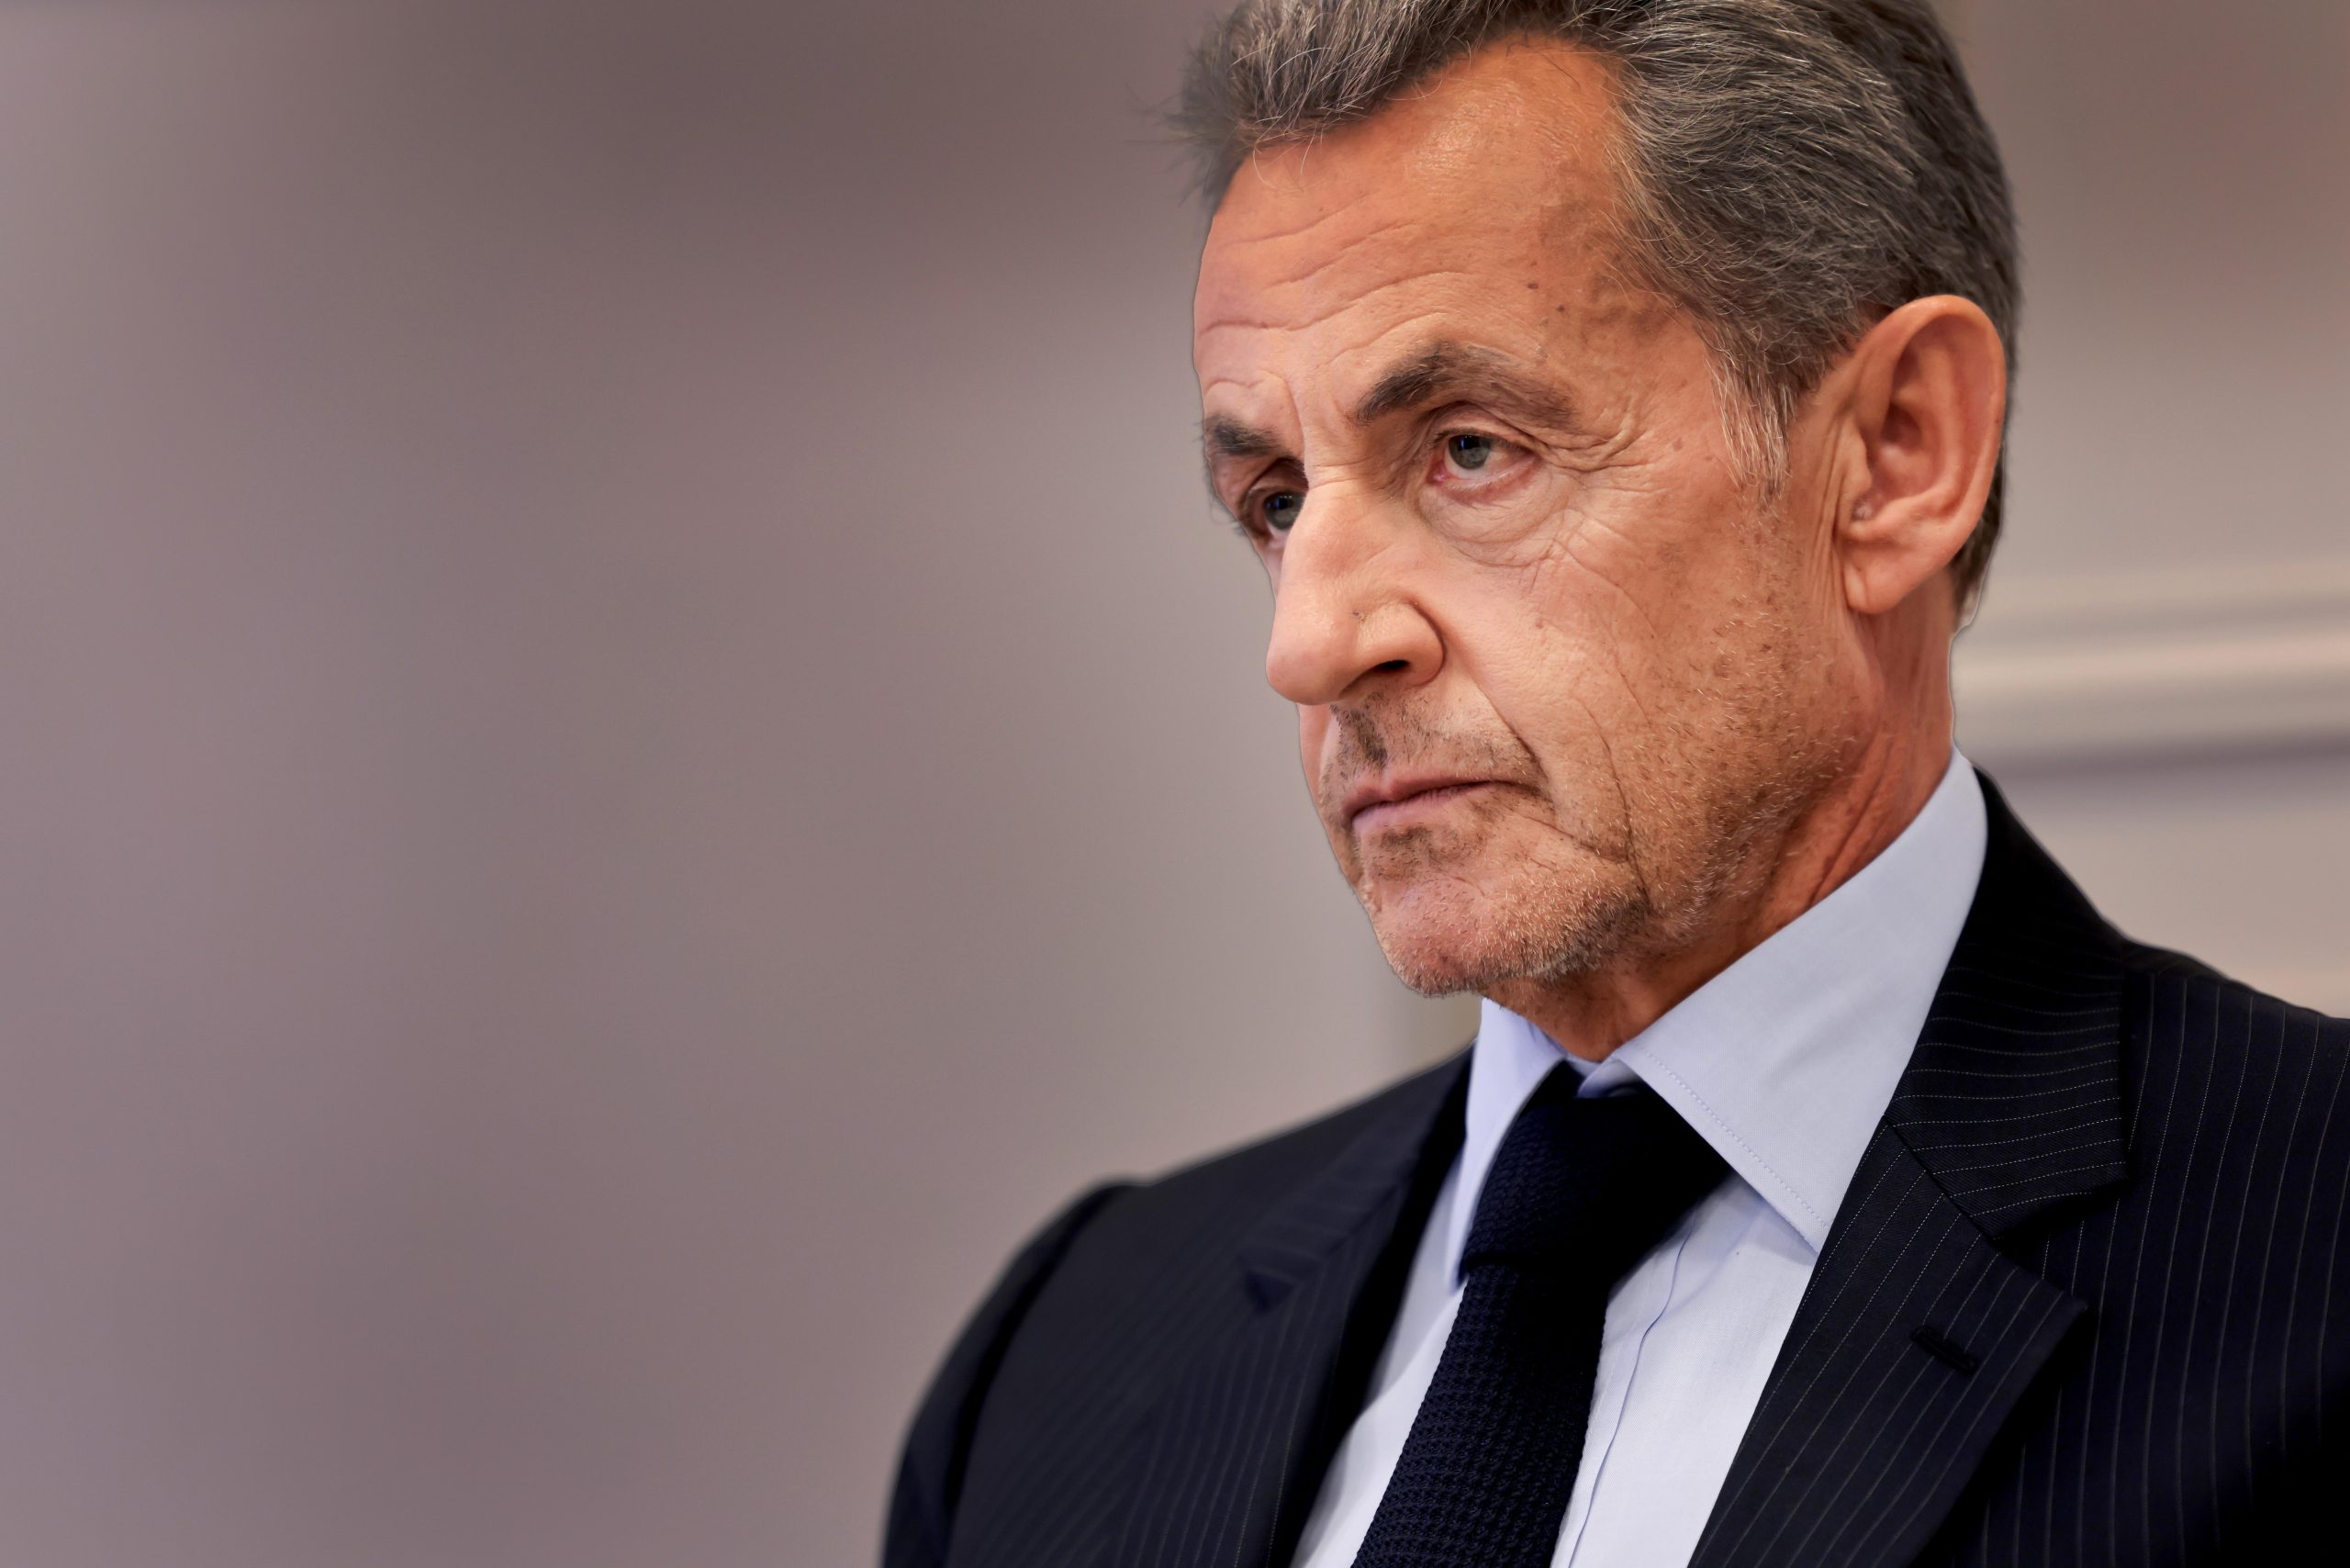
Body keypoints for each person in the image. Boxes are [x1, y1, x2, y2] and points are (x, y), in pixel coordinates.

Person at [884, 3, 2350, 1563]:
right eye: (1278, 500)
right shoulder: (1064, 1360)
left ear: (1897, 454)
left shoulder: (2309, 1254)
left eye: (1469, 449)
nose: (1309, 646)